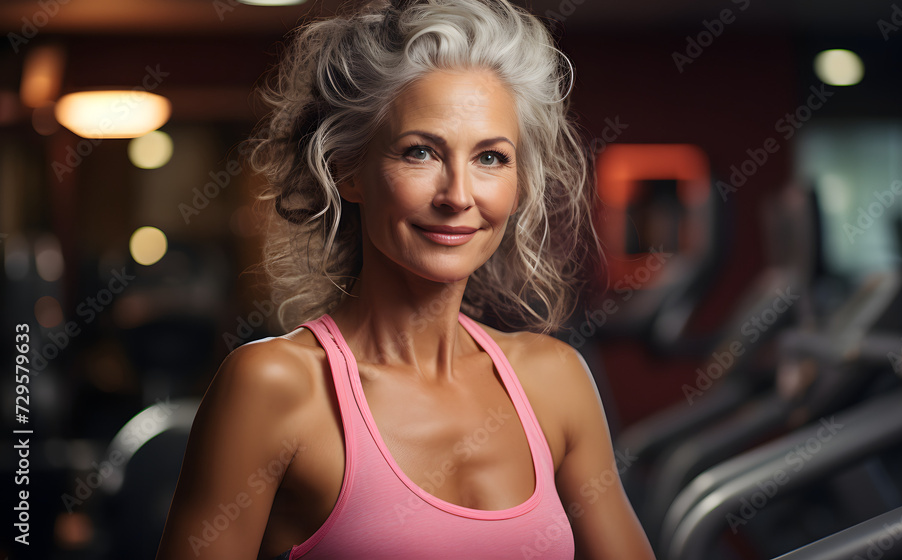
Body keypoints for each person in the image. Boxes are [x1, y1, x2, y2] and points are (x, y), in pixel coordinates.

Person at [156, 0, 654, 558]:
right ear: (347, 170)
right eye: (420, 152)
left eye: (491, 158)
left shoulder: (555, 381)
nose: (459, 195)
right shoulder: (273, 386)